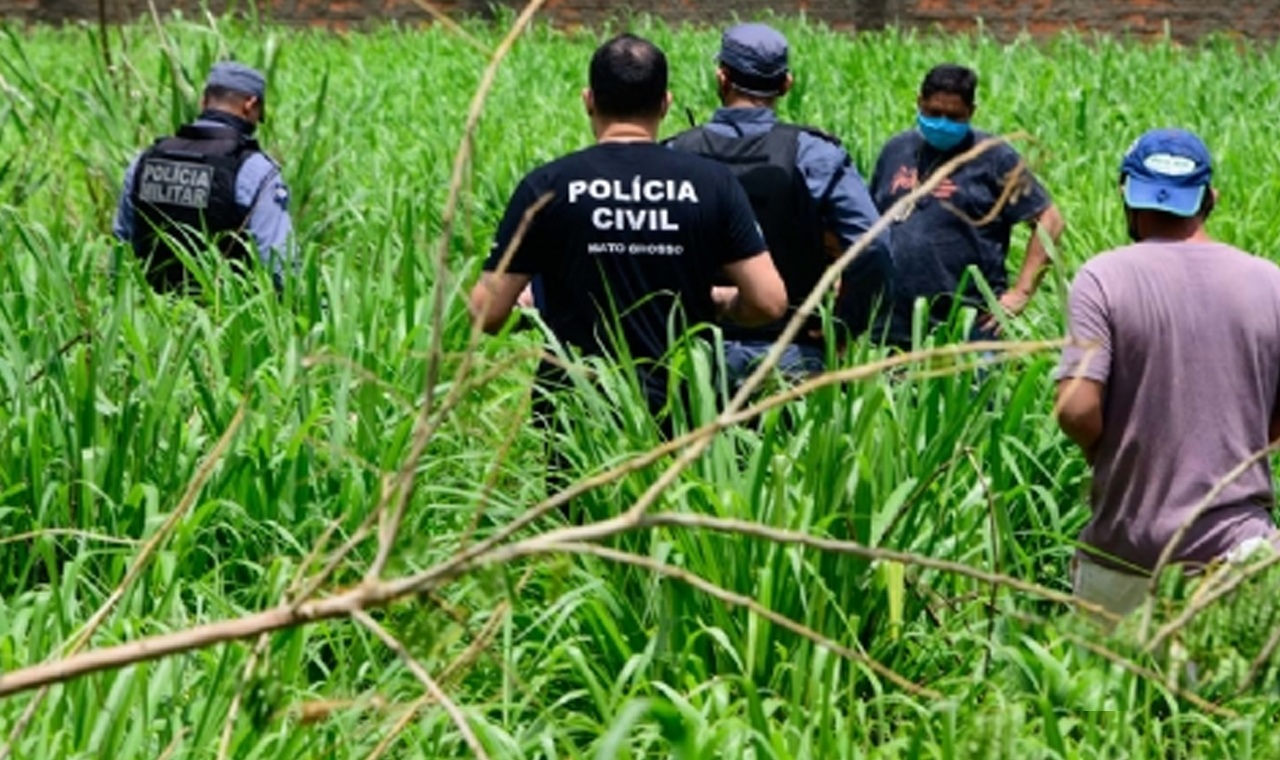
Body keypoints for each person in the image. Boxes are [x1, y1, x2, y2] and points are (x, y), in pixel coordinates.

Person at [468, 33, 787, 424]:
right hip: (682, 407)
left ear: (589, 101)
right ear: (665, 104)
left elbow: (486, 312)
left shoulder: (547, 185)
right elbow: (769, 301)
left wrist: (542, 305)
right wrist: (716, 302)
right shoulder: (712, 183)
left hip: (577, 415)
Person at [1056, 128, 1280, 619]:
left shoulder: (1102, 278)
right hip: (1238, 556)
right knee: (1235, 698)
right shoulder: (1270, 282)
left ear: (1126, 195)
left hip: (1125, 556)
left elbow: (1076, 410)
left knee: (1105, 696)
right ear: (1210, 199)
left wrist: (1107, 454)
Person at [666, 22, 891, 386]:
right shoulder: (815, 153)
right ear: (786, 84)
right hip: (792, 354)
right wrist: (846, 322)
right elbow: (874, 245)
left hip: (694, 357)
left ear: (721, 78)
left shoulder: (676, 152)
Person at [869, 63, 1064, 349]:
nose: (943, 123)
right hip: (892, 326)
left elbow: (1050, 219)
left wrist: (1021, 292)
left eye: (954, 116)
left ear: (971, 112)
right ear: (919, 102)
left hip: (969, 327)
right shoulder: (896, 150)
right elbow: (868, 223)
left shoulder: (994, 157)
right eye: (934, 113)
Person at [113, 61, 294, 294]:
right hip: (227, 319)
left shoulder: (145, 160)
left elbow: (121, 247)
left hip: (149, 317)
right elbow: (278, 263)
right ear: (250, 105)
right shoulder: (255, 168)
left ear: (204, 100)